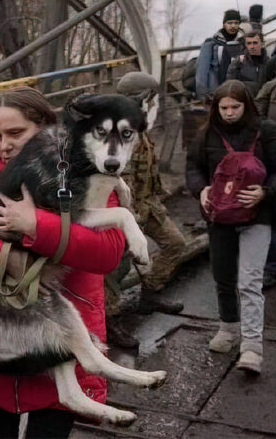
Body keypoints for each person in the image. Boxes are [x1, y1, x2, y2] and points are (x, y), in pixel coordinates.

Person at [0, 87, 127, 439]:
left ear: (45, 128)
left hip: (63, 328)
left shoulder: (84, 171)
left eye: (15, 133)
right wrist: (7, 257)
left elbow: (108, 252)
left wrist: (37, 226)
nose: (4, 144)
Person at [185, 79, 276, 375]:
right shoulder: (205, 134)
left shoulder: (267, 132)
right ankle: (227, 328)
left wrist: (267, 192)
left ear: (246, 105)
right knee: (223, 276)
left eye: (235, 107)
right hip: (219, 216)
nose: (229, 113)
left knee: (250, 280)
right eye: (224, 107)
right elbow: (193, 167)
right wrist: (200, 189)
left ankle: (252, 346)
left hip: (257, 216)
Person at [104, 72, 186, 349]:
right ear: (142, 97)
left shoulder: (137, 122)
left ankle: (150, 292)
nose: (154, 102)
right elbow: (116, 177)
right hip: (126, 210)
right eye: (151, 96)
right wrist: (128, 218)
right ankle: (108, 320)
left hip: (149, 203)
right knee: (117, 265)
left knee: (175, 244)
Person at [196, 9, 244, 101]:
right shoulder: (211, 43)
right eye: (230, 23)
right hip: (215, 91)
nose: (233, 26)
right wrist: (203, 94)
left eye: (236, 23)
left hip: (238, 91)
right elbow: (202, 70)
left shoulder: (243, 42)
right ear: (224, 24)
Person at [227, 30, 271, 98]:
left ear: (262, 44)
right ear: (246, 45)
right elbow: (230, 86)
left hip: (263, 102)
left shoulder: (269, 63)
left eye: (255, 43)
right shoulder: (238, 62)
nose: (252, 46)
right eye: (249, 43)